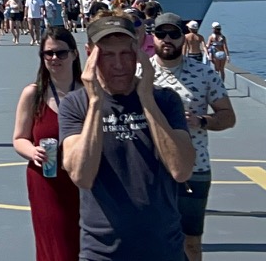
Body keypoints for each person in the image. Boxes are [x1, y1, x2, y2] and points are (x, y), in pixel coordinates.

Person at [61, 15, 195, 261]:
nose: (119, 64)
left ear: (140, 52)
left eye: (126, 54)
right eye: (107, 55)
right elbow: (81, 175)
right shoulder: (75, 105)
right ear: (89, 53)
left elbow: (181, 170)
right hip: (103, 252)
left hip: (164, 250)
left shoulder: (165, 101)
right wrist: (95, 103)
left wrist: (146, 98)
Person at [150, 12, 236, 261]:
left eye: (174, 34)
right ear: (153, 38)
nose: (167, 39)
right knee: (152, 239)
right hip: (151, 170)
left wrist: (201, 121)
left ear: (183, 38)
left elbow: (228, 116)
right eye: (161, 34)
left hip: (194, 168)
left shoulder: (204, 73)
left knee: (191, 243)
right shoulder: (140, 74)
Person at [13, 26, 82, 261]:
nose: (54, 58)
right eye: (48, 53)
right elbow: (19, 138)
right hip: (46, 181)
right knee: (55, 246)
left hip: (83, 181)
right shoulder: (33, 94)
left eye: (61, 53)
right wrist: (33, 151)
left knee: (85, 244)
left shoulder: (89, 93)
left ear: (74, 54)